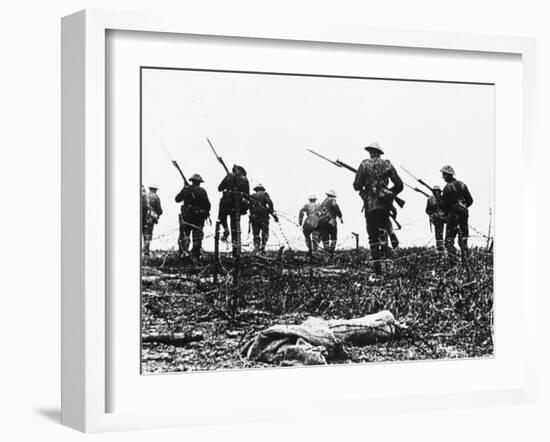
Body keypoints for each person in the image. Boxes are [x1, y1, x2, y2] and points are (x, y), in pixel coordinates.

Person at [353, 142, 403, 275]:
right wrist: (388, 193)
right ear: (380, 153)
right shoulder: (387, 164)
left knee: (373, 238)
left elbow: (356, 186)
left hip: (371, 205)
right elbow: (399, 185)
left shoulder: (364, 165)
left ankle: (378, 271)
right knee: (384, 230)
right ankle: (390, 235)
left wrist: (366, 184)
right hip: (384, 205)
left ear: (370, 152)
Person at [440, 165, 473, 265]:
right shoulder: (462, 185)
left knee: (448, 241)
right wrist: (463, 207)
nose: (442, 176)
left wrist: (447, 213)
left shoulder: (446, 188)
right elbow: (470, 200)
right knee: (463, 240)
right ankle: (465, 263)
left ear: (447, 175)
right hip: (464, 215)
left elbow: (445, 207)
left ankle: (454, 264)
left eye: (443, 174)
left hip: (453, 218)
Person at [175, 174, 211, 260]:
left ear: (192, 181)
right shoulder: (202, 191)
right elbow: (208, 206)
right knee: (197, 237)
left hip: (186, 217)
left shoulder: (186, 189)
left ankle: (183, 253)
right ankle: (195, 255)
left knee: (184, 235)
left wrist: (184, 189)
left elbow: (177, 199)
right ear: (199, 182)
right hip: (198, 218)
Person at [217, 165, 250, 253]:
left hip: (225, 202)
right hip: (236, 205)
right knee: (235, 228)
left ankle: (225, 228)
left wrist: (228, 184)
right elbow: (247, 195)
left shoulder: (228, 176)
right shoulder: (244, 180)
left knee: (221, 218)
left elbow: (219, 188)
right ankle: (235, 251)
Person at [249, 184, 278, 253]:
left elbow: (249, 206)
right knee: (265, 232)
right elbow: (270, 203)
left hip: (254, 217)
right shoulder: (265, 195)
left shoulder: (252, 196)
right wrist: (271, 211)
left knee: (256, 233)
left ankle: (256, 246)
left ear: (256, 189)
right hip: (263, 216)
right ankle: (263, 246)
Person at [317, 190, 343, 254]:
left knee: (325, 236)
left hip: (322, 221)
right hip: (330, 221)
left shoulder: (323, 202)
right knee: (333, 235)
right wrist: (340, 216)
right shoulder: (332, 200)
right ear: (333, 196)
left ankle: (326, 252)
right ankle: (332, 251)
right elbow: (336, 208)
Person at [142, 184, 163, 256]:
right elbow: (159, 210)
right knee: (147, 235)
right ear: (155, 190)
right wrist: (157, 215)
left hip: (142, 218)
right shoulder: (156, 197)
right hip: (149, 219)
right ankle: (146, 252)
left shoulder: (144, 196)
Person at [425, 185, 446, 251]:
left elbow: (446, 208)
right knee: (439, 233)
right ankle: (440, 247)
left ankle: (444, 246)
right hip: (437, 218)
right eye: (435, 191)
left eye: (438, 191)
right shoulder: (430, 199)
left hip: (443, 217)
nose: (437, 193)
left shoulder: (443, 199)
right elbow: (427, 210)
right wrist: (432, 214)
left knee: (444, 232)